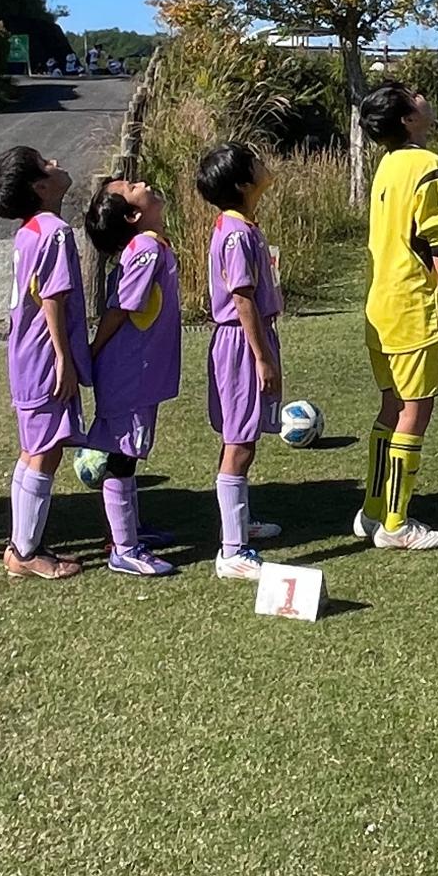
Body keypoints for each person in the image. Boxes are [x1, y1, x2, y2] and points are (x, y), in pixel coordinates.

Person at [351, 82, 438, 550]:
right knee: (415, 410)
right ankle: (396, 524)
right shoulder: (427, 164)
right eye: (413, 95)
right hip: (413, 304)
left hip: (381, 305)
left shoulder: (388, 163)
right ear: (408, 119)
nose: (422, 96)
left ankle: (374, 509)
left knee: (391, 407)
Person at [0, 146, 92, 581]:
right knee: (45, 451)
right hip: (44, 356)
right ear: (41, 186)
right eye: (47, 163)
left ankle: (21, 543)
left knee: (34, 448)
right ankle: (26, 551)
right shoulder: (55, 232)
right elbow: (52, 298)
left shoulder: (29, 231)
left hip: (25, 355)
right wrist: (64, 358)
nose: (57, 162)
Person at [82, 176, 183, 576]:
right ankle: (123, 548)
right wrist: (94, 351)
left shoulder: (150, 246)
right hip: (129, 373)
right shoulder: (145, 249)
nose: (142, 182)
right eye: (130, 187)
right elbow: (122, 307)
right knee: (123, 455)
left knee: (128, 452)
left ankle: (130, 530)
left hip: (138, 373)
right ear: (132, 215)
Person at [199, 141, 286, 580]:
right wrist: (262, 356)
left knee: (241, 435)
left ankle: (238, 521)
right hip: (240, 343)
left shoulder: (242, 226)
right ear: (242, 183)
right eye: (254, 161)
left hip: (246, 339)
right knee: (241, 441)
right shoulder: (236, 234)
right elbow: (242, 297)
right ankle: (232, 550)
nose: (263, 163)